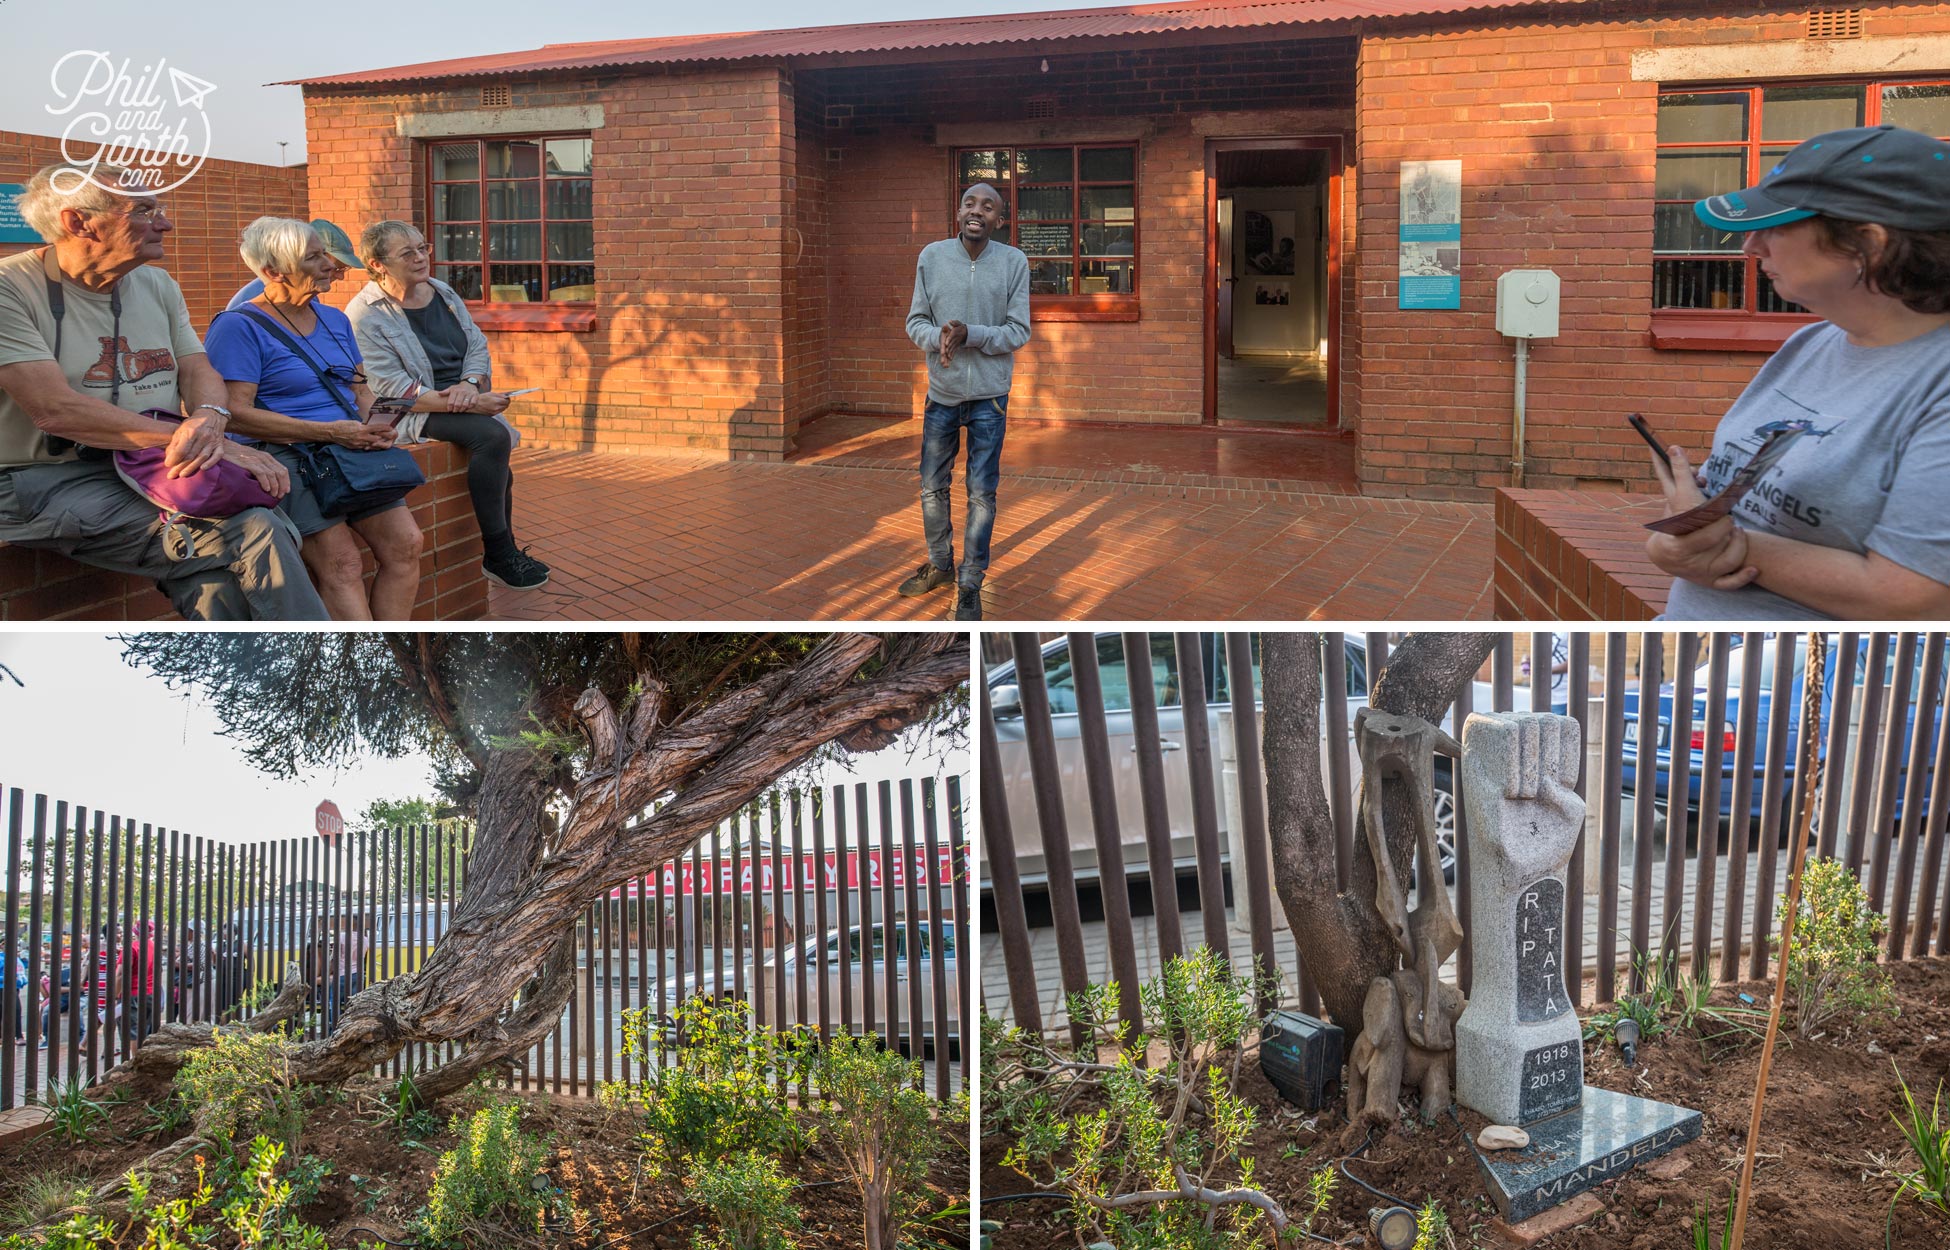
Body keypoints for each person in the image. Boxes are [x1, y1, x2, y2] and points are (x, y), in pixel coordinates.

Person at [1647, 125, 1950, 620]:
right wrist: (1681, 533)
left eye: (1777, 228)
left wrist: (1730, 547)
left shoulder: (1938, 382)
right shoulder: (1813, 341)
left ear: (1867, 246)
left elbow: (1918, 596)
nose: (1752, 248)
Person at [0, 164, 326, 620]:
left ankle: (249, 683)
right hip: (40, 480)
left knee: (213, 581)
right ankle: (321, 663)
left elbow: (197, 368)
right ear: (78, 222)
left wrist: (211, 419)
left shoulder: (156, 283)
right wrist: (200, 442)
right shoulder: (9, 288)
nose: (165, 223)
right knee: (253, 528)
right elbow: (57, 411)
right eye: (144, 210)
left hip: (139, 467)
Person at [206, 216, 425, 620]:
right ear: (273, 271)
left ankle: (396, 648)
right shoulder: (237, 327)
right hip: (289, 458)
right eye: (314, 257)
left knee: (406, 544)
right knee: (343, 565)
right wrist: (328, 431)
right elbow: (232, 414)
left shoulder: (336, 319)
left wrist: (377, 424)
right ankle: (366, 660)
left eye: (325, 254)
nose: (330, 264)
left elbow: (359, 390)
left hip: (349, 448)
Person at [345, 221, 548, 590]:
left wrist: (470, 385)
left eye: (423, 247)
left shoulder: (442, 292)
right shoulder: (364, 315)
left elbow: (476, 345)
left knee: (497, 457)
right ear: (377, 264)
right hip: (413, 411)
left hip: (461, 397)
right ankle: (498, 554)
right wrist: (469, 404)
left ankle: (506, 552)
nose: (421, 257)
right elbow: (393, 389)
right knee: (491, 438)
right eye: (408, 253)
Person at [899, 181, 1031, 621]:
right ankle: (940, 565)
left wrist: (970, 334)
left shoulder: (1013, 262)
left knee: (981, 493)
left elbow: (1018, 331)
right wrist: (938, 337)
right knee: (932, 486)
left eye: (988, 206)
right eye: (970, 203)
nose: (978, 211)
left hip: (990, 399)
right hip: (942, 393)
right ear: (958, 212)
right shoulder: (931, 258)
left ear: (999, 219)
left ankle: (970, 580)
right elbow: (915, 320)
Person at [225, 218, 362, 311]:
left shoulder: (311, 300)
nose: (340, 276)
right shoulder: (251, 305)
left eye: (345, 268)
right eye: (338, 267)